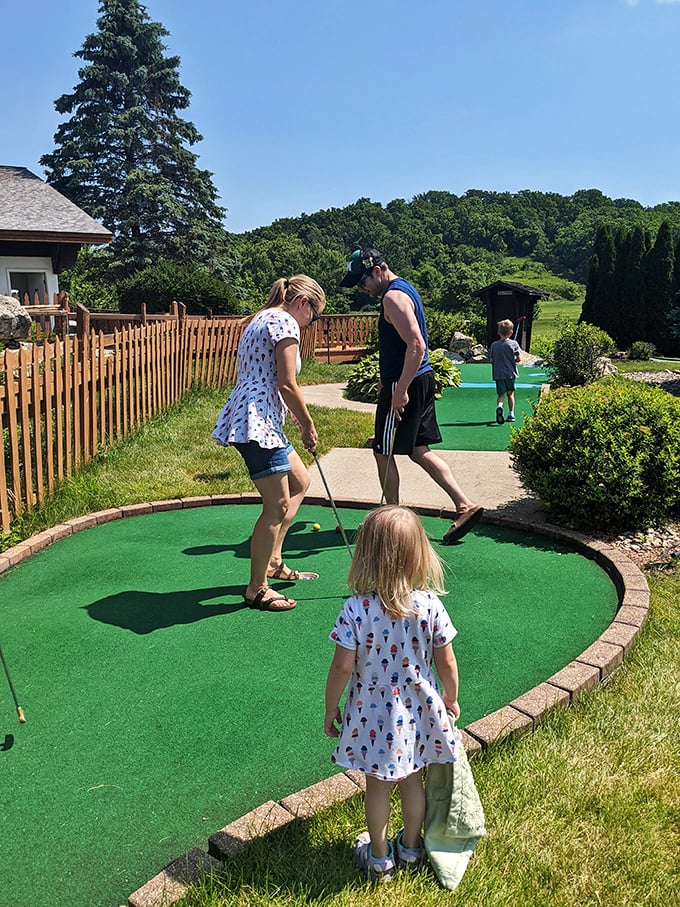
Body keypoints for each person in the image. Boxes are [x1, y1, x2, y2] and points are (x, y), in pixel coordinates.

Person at [324, 505, 460, 883]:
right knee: (412, 781)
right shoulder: (430, 605)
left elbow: (342, 668)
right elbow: (446, 661)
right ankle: (411, 848)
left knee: (378, 786)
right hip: (419, 711)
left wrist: (330, 707)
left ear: (366, 554)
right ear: (419, 553)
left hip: (372, 714)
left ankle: (380, 857)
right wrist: (450, 698)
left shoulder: (355, 609)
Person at [341, 248, 483, 544]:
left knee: (382, 450)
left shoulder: (392, 297)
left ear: (377, 271)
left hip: (407, 384)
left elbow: (416, 345)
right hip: (419, 379)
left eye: (361, 280)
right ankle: (465, 505)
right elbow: (401, 344)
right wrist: (387, 379)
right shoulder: (405, 289)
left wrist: (399, 390)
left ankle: (390, 519)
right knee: (419, 450)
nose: (360, 288)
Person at [211, 274, 325, 612]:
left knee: (300, 481)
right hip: (257, 423)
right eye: (314, 316)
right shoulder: (285, 321)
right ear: (303, 303)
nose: (310, 324)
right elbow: (287, 383)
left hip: (260, 417)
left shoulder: (261, 317)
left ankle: (273, 559)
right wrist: (307, 424)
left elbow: (267, 376)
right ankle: (257, 589)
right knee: (276, 506)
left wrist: (285, 413)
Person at [488, 318, 521, 424]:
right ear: (511, 332)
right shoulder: (514, 344)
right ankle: (511, 414)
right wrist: (515, 360)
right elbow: (518, 359)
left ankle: (499, 406)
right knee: (510, 394)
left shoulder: (494, 345)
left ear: (498, 332)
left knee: (501, 395)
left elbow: (491, 359)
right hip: (510, 373)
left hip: (498, 374)